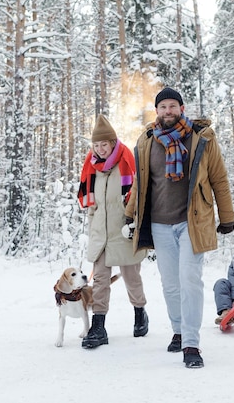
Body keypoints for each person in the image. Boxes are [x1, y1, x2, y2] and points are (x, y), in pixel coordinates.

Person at [124, 87, 234, 368]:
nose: (168, 111)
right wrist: (129, 214)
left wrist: (227, 216)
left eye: (173, 106)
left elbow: (219, 179)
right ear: (157, 111)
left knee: (190, 280)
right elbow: (140, 182)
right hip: (160, 223)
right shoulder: (148, 141)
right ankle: (178, 330)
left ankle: (191, 344)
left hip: (192, 222)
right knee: (171, 284)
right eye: (163, 107)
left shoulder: (202, 138)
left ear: (181, 108)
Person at [77, 114, 149, 349]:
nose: (100, 149)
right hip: (101, 233)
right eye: (96, 145)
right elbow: (92, 203)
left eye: (104, 144)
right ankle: (99, 326)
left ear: (112, 143)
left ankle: (140, 312)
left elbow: (138, 196)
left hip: (124, 230)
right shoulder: (92, 167)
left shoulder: (128, 162)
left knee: (131, 278)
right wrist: (91, 223)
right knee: (100, 280)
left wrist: (136, 224)